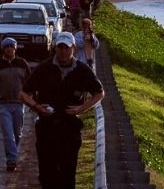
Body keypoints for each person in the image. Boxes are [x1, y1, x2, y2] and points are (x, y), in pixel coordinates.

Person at [20, 32, 104, 188]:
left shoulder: (82, 70)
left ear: (73, 48)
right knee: (47, 173)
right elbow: (24, 93)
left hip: (70, 127)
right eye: (60, 47)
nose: (63, 51)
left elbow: (99, 93)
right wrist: (36, 106)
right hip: (47, 127)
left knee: (68, 173)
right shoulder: (44, 68)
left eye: (67, 48)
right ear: (55, 48)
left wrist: (82, 108)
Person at [0, 38, 31, 172]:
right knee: (8, 133)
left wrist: (33, 100)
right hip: (3, 104)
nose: (9, 49)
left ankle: (13, 154)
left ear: (15, 49)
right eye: (7, 47)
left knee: (17, 133)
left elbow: (30, 83)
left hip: (19, 103)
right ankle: (12, 160)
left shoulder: (22, 64)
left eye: (11, 47)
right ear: (3, 49)